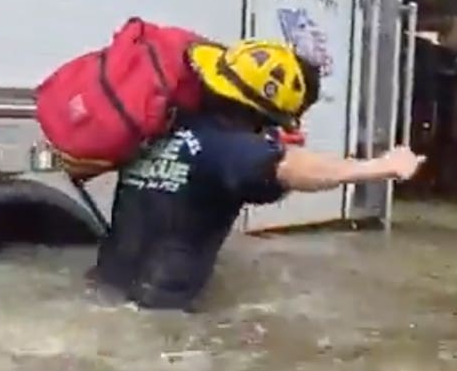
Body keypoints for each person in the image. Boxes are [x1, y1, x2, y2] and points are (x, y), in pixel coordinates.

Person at [90, 38, 423, 310]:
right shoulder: (231, 149)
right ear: (265, 115)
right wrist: (380, 166)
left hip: (104, 287)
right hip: (159, 312)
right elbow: (292, 169)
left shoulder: (163, 127)